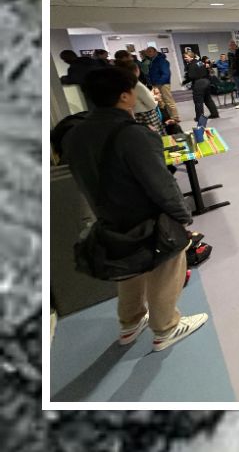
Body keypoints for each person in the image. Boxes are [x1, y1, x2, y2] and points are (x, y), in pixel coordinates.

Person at [58, 64, 207, 351]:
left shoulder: (74, 134)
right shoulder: (133, 134)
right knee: (166, 267)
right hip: (147, 218)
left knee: (129, 271)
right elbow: (160, 183)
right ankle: (166, 328)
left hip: (108, 219)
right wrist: (182, 216)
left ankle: (130, 323)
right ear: (125, 96)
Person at [185, 53, 220, 121]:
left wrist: (187, 80)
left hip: (198, 83)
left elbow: (191, 76)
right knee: (208, 99)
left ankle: (200, 117)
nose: (185, 58)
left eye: (186, 57)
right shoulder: (200, 62)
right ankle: (214, 114)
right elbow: (206, 70)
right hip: (206, 81)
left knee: (198, 102)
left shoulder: (191, 65)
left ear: (191, 57)